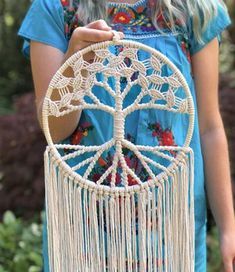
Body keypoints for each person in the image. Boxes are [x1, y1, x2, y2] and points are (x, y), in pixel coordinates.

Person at [18, 0, 235, 271]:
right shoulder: (55, 9)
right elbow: (55, 129)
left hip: (170, 229)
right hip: (84, 232)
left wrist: (228, 228)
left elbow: (209, 128)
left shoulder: (194, 10)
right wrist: (75, 68)